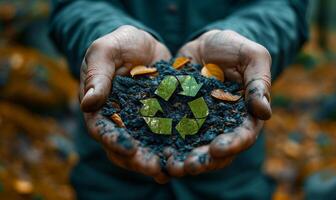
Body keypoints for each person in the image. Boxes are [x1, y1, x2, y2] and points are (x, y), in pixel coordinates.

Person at [50, 0, 308, 199]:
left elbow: (284, 7)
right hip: (110, 181)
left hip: (230, 185)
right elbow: (73, 5)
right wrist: (102, 34)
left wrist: (247, 35)